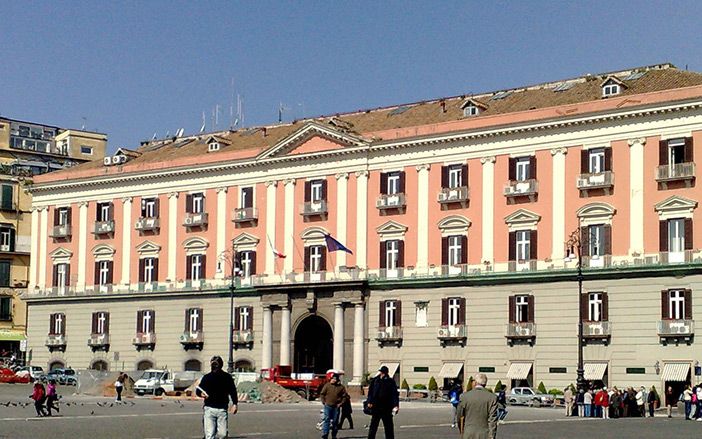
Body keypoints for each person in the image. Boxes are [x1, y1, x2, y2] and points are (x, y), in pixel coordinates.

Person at [195, 356, 238, 439]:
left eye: (216, 364)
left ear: (220, 365)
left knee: (223, 434)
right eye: (213, 364)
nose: (215, 366)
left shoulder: (227, 377)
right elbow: (199, 389)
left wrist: (235, 404)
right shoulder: (207, 377)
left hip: (222, 409)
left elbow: (233, 391)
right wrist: (201, 394)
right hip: (209, 408)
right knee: (209, 435)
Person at [457, 373, 498, 439]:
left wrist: (462, 430)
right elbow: (492, 420)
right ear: (485, 384)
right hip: (484, 434)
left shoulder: (464, 396)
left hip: (468, 433)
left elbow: (459, 416)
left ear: (475, 383)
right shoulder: (492, 398)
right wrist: (492, 436)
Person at [366, 365, 399, 439]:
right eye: (381, 372)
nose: (382, 374)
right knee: (373, 426)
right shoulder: (375, 381)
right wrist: (369, 402)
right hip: (376, 406)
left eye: (384, 372)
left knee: (388, 426)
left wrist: (395, 405)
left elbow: (394, 394)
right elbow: (370, 393)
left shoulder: (390, 381)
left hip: (387, 407)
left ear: (386, 373)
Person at [319, 373, 347, 439]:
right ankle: (325, 434)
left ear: (337, 379)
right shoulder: (327, 385)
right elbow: (322, 394)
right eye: (332, 379)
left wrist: (340, 403)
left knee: (335, 421)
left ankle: (334, 435)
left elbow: (344, 396)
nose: (333, 380)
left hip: (336, 407)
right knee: (327, 420)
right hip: (328, 405)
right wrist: (324, 402)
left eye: (335, 379)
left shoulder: (341, 387)